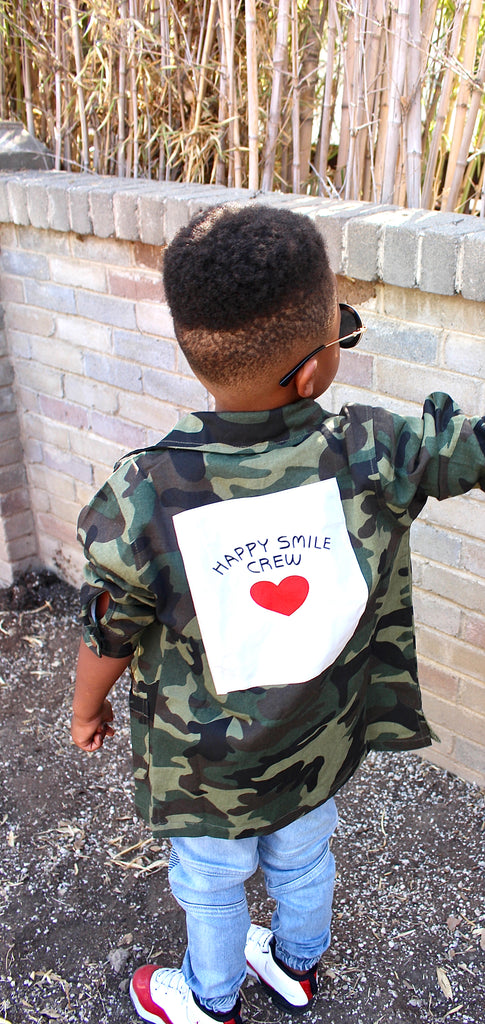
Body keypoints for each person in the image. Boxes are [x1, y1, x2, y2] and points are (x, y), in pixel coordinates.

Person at [71, 203, 485, 1024]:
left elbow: (108, 629)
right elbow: (467, 447)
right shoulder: (376, 450)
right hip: (317, 745)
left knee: (211, 885)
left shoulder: (145, 491)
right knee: (303, 861)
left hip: (205, 773)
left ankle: (210, 998)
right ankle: (295, 966)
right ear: (311, 374)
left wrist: (87, 708)